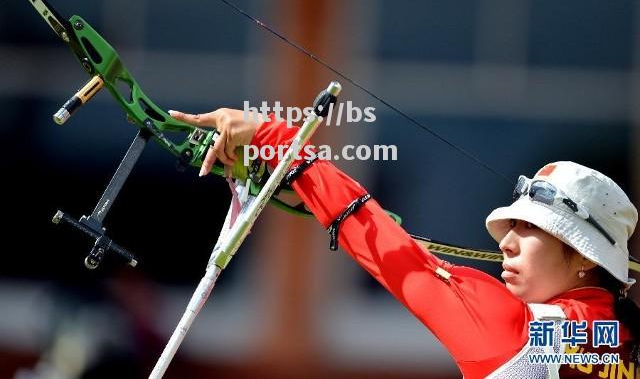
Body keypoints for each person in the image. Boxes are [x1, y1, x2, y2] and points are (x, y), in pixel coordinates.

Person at [168, 108, 639, 378]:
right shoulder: (624, 340)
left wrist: (276, 137)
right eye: (512, 228)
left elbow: (387, 249)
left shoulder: (514, 330)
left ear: (582, 257)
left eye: (530, 230)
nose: (507, 245)